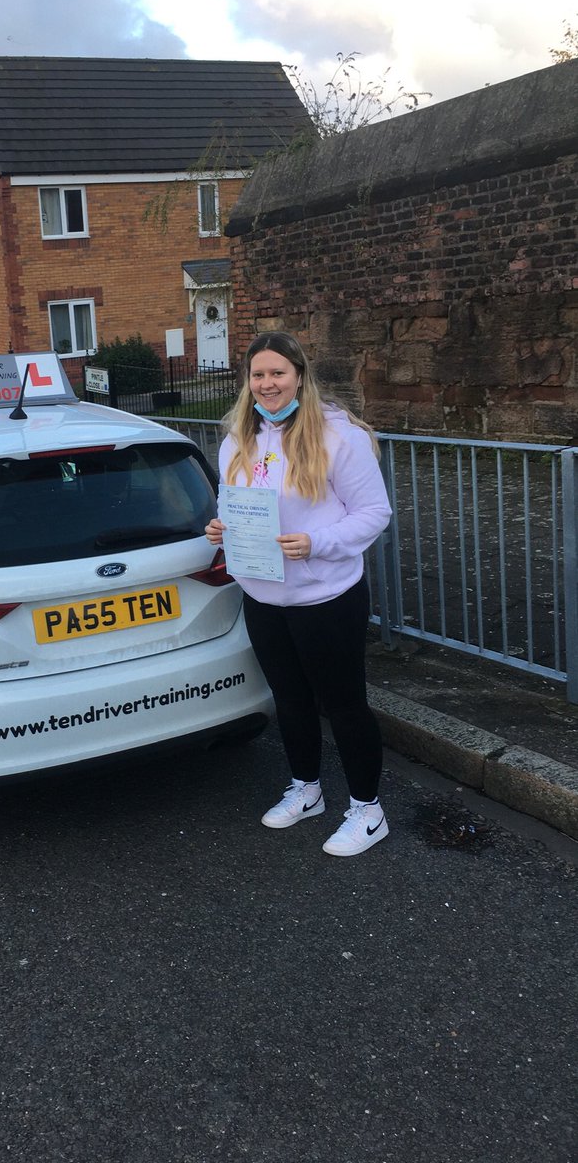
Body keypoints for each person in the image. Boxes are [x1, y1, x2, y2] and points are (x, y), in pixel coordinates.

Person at [205, 331, 392, 857]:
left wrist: (317, 543)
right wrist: (219, 529)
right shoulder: (237, 439)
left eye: (278, 373)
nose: (268, 384)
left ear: (299, 376)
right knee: (289, 701)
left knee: (345, 704)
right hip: (264, 597)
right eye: (258, 375)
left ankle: (367, 809)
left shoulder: (339, 437)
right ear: (248, 382)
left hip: (326, 598)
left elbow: (374, 514)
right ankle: (307, 789)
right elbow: (237, 507)